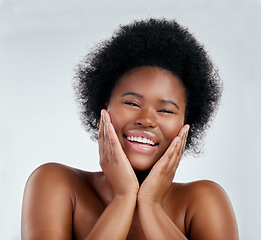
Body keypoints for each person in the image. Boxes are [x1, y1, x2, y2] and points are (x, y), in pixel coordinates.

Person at [21, 18, 239, 239]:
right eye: (132, 103)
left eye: (166, 110)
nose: (146, 120)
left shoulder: (204, 201)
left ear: (185, 126)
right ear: (103, 109)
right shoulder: (56, 184)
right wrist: (123, 197)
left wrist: (151, 204)